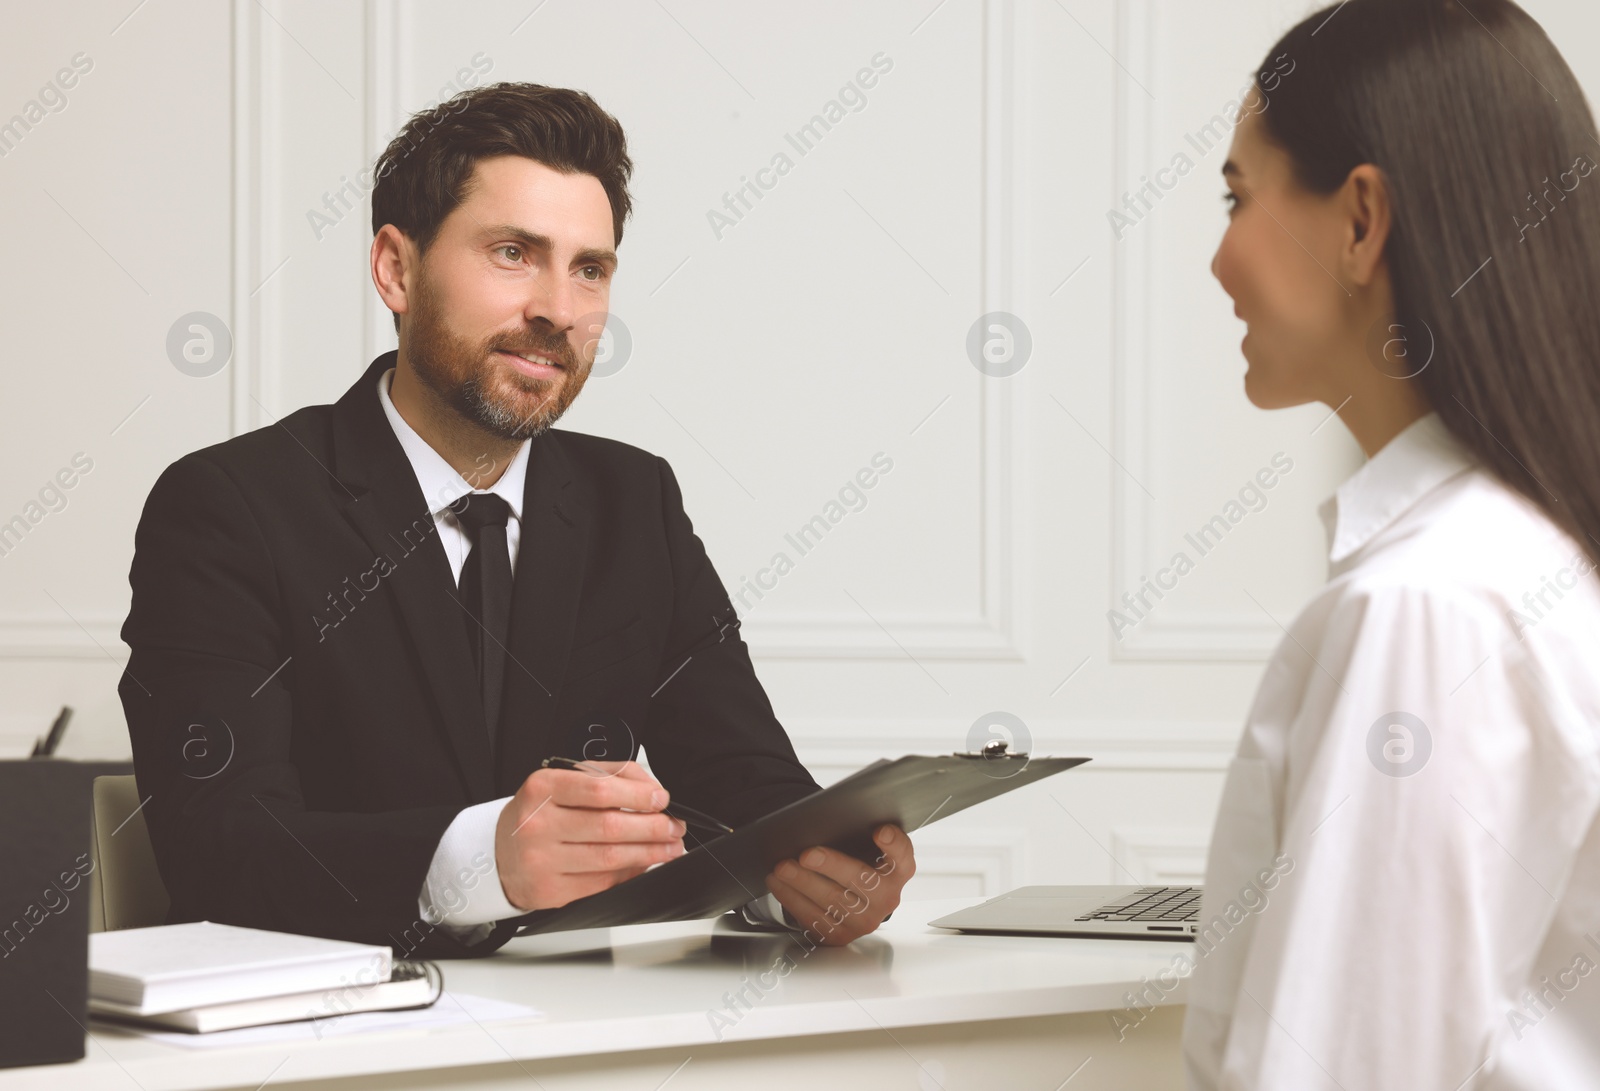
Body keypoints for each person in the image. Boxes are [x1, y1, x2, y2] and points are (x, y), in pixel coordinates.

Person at [118, 83, 913, 959]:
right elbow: (216, 844)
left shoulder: (634, 499)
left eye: (590, 268)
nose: (559, 310)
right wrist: (478, 862)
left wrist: (808, 873)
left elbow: (742, 778)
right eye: (512, 252)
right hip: (320, 1034)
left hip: (580, 1032)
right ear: (396, 268)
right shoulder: (229, 505)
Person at [1186, 1, 1600, 1086]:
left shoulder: (1429, 605)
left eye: (1237, 197)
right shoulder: (1534, 559)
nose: (1217, 261)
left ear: (1361, 219)